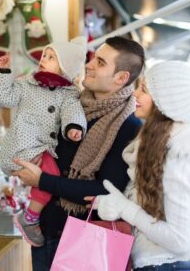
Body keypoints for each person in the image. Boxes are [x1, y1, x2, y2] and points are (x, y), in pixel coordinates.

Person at [12, 36, 144, 270]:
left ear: (122, 78)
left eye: (100, 63)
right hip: (46, 231)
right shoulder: (69, 102)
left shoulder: (129, 126)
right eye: (93, 58)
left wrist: (42, 180)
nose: (89, 64)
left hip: (87, 241)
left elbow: (105, 189)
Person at [93, 61, 190, 271]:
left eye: (143, 90)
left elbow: (180, 240)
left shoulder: (177, 156)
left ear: (164, 101)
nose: (135, 95)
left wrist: (125, 208)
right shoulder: (156, 145)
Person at [0, 37, 88, 247]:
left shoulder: (68, 93)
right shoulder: (27, 83)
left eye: (52, 57)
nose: (44, 58)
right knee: (49, 178)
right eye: (45, 54)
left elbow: (73, 111)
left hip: (39, 148)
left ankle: (31, 216)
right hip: (22, 144)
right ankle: (30, 217)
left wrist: (74, 126)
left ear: (65, 69)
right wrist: (3, 73)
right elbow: (4, 98)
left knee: (46, 180)